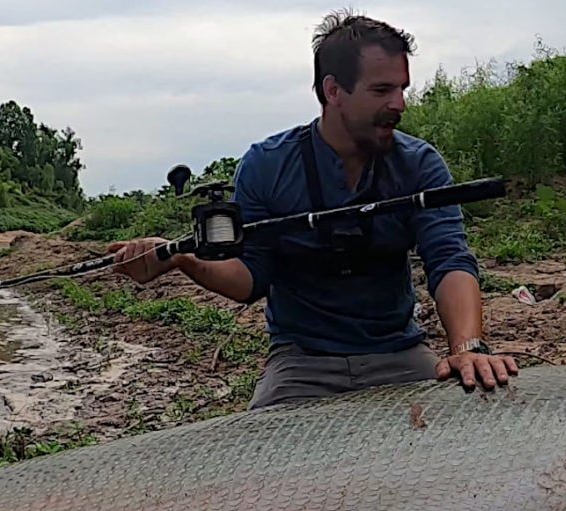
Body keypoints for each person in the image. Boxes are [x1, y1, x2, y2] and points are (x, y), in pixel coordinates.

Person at [108, 9, 519, 408]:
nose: (400, 104)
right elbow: (250, 278)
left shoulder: (421, 164)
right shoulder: (266, 165)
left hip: (400, 353)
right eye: (382, 91)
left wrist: (468, 347)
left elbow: (449, 261)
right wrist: (181, 259)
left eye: (402, 89)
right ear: (333, 90)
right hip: (301, 363)